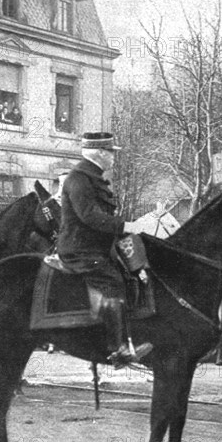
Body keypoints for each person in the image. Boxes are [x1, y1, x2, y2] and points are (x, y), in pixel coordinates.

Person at [56, 132, 152, 367]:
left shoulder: (91, 177)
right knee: (112, 283)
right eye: (111, 153)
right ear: (100, 153)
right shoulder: (78, 179)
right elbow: (89, 216)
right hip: (80, 250)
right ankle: (116, 349)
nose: (113, 157)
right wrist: (125, 225)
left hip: (96, 249)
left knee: (129, 276)